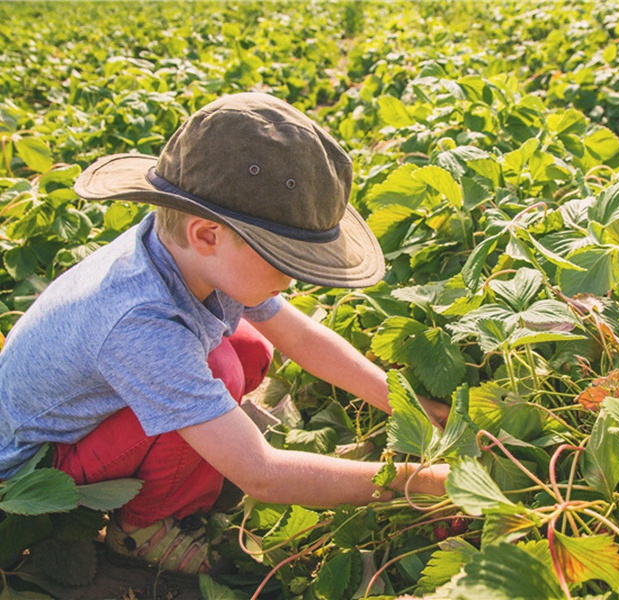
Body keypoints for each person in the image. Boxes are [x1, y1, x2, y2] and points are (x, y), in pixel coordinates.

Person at [0, 92, 450, 575]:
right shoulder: (139, 323)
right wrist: (426, 481)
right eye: (284, 260)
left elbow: (300, 338)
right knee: (217, 374)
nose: (294, 277)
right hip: (41, 465)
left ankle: (210, 441)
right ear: (207, 235)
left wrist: (410, 407)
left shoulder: (193, 256)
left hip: (97, 417)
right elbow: (264, 476)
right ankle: (140, 527)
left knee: (247, 349)